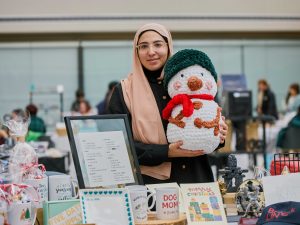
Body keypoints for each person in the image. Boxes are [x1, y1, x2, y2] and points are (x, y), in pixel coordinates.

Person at [107, 23, 228, 185]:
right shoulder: (124, 91)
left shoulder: (190, 81)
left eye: (158, 44)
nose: (151, 52)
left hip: (196, 180)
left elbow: (208, 121)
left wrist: (219, 135)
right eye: (143, 46)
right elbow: (116, 144)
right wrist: (166, 152)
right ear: (136, 52)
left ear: (168, 47)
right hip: (152, 186)